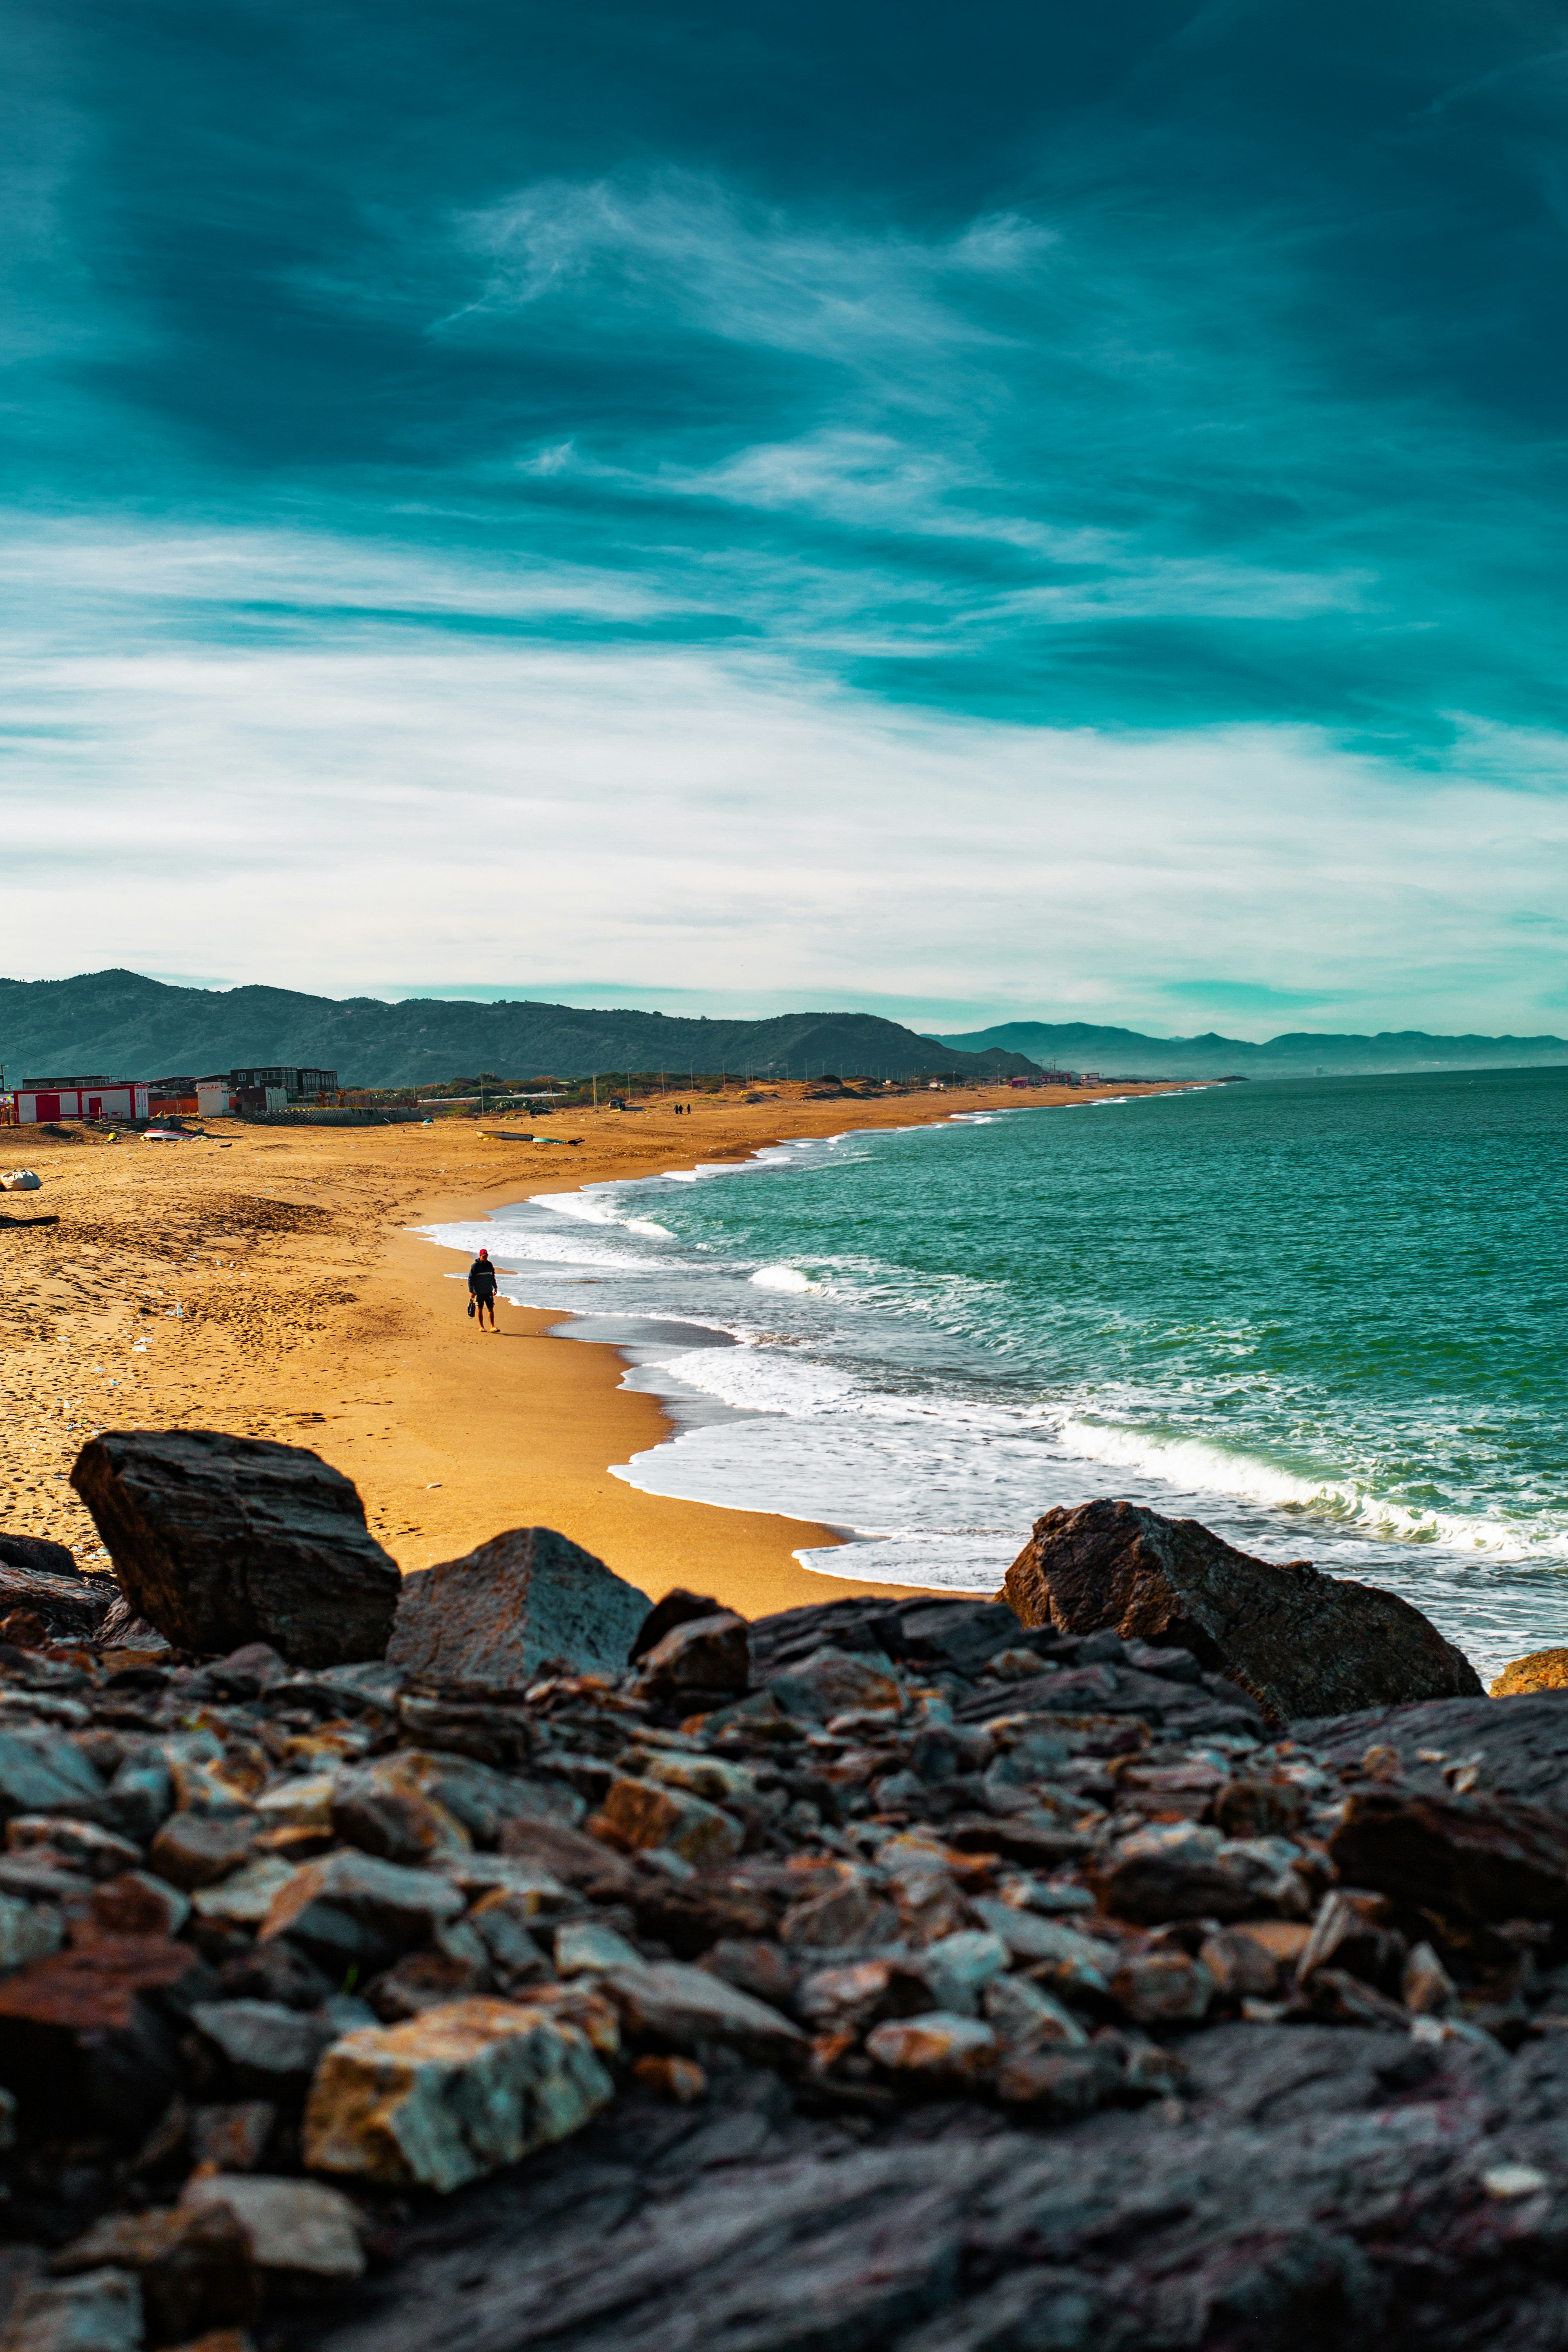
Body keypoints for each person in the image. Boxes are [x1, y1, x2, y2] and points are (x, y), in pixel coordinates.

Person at [468, 1247, 498, 1330]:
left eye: (486, 1256)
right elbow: (471, 1279)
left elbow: (493, 1277)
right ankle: (481, 1327)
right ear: (480, 1256)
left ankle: (492, 1327)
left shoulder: (490, 1265)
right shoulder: (475, 1266)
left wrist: (495, 1287)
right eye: (484, 1256)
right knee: (480, 1308)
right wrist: (472, 1291)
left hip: (489, 1290)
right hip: (479, 1291)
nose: (485, 1257)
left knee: (491, 1308)